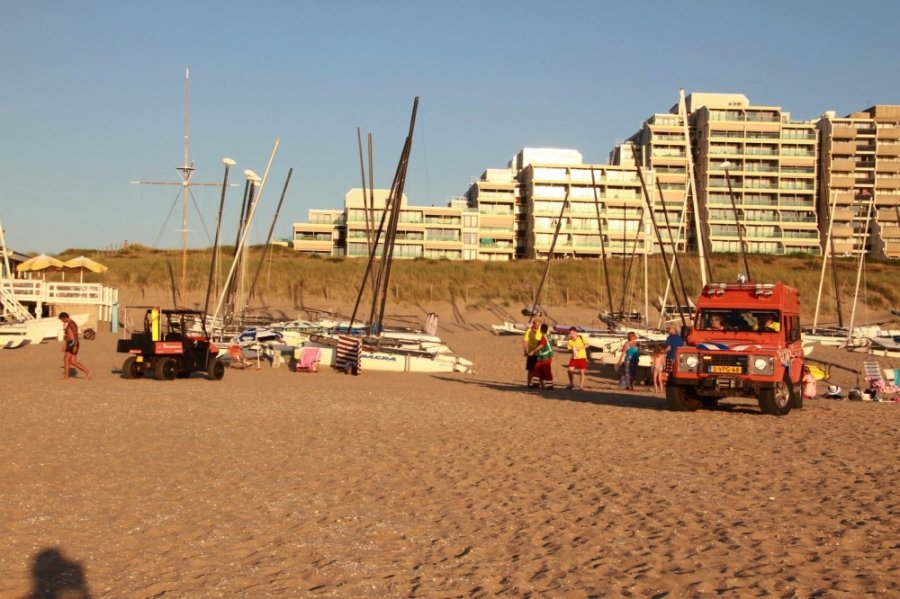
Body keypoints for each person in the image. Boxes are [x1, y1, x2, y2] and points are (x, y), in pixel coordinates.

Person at [59, 312, 91, 380]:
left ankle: (66, 377)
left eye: (62, 320)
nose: (62, 321)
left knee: (66, 360)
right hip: (71, 343)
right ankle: (87, 372)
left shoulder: (72, 324)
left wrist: (75, 346)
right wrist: (65, 345)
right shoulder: (69, 324)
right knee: (73, 361)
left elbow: (75, 335)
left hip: (72, 343)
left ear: (65, 318)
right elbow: (68, 335)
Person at [530, 323, 554, 389]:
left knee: (546, 370)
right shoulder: (548, 336)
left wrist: (533, 351)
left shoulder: (544, 337)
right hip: (544, 356)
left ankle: (549, 385)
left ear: (541, 330)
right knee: (536, 368)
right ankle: (536, 383)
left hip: (545, 356)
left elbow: (541, 346)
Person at [522, 317, 543, 387]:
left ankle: (541, 384)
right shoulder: (529, 331)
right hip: (531, 353)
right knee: (530, 369)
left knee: (539, 369)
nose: (538, 326)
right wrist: (525, 351)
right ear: (533, 324)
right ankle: (528, 384)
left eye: (539, 325)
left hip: (540, 353)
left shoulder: (542, 331)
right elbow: (525, 341)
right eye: (537, 325)